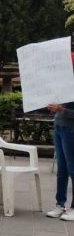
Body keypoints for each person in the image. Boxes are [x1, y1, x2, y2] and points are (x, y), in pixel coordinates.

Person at [45, 53, 74, 221]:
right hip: (59, 127)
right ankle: (60, 204)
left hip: (70, 129)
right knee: (61, 170)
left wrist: (62, 111)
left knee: (72, 169)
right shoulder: (63, 84)